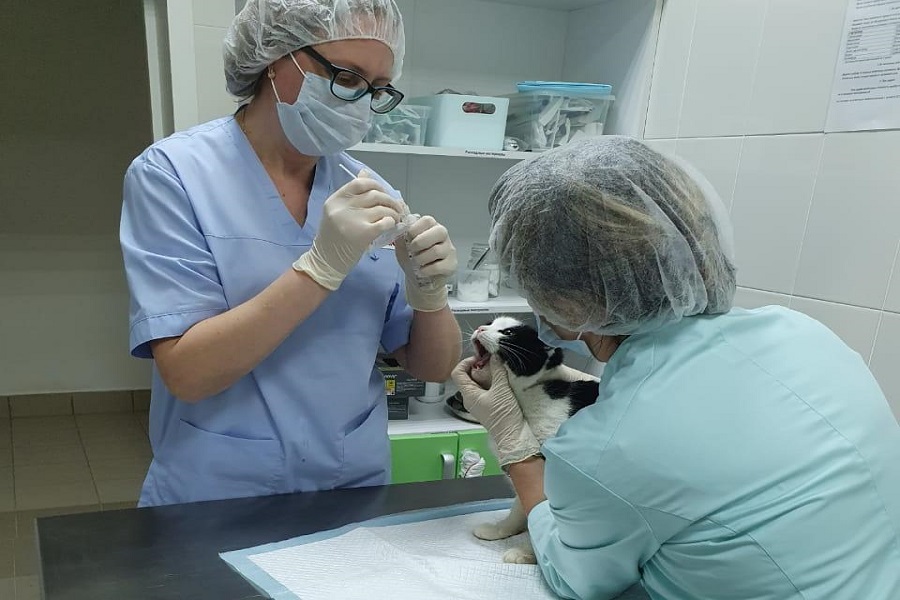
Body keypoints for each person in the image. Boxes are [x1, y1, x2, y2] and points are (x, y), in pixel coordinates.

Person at [452, 136, 900, 600]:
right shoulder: (805, 333)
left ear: (564, 299)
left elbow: (574, 576)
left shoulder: (609, 449)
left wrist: (516, 444)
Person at [120, 0, 461, 507]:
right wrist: (320, 269)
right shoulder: (173, 175)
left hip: (351, 483)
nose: (360, 101)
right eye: (347, 76)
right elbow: (188, 374)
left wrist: (430, 293)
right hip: (220, 489)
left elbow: (432, 367)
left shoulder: (368, 191)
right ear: (276, 59)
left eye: (377, 88)